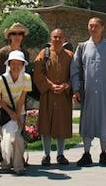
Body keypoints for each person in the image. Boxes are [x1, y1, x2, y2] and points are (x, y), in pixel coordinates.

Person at [71, 17, 106, 166]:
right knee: (87, 121)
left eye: (96, 26)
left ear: (102, 27)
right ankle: (86, 153)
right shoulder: (83, 47)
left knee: (104, 120)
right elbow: (76, 69)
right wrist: (76, 88)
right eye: (90, 26)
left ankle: (104, 153)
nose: (93, 29)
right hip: (87, 92)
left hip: (103, 91)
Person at [34, 29, 74, 166]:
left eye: (60, 37)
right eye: (55, 37)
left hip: (63, 96)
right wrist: (50, 86)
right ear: (51, 39)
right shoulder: (43, 54)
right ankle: (46, 155)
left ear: (64, 39)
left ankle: (61, 154)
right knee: (46, 124)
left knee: (62, 124)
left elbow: (74, 75)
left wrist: (65, 86)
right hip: (48, 95)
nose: (57, 39)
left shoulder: (70, 56)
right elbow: (38, 73)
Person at [0, 22, 29, 165]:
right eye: (14, 33)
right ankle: (4, 159)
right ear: (9, 36)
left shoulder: (25, 53)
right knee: (3, 128)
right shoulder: (4, 52)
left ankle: (18, 158)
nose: (17, 36)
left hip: (20, 95)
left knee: (19, 128)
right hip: (5, 97)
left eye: (20, 33)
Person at [0, 50, 31, 175]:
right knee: (6, 139)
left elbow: (22, 98)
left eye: (19, 64)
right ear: (8, 64)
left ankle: (18, 166)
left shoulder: (26, 78)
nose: (16, 66)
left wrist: (18, 115)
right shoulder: (1, 79)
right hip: (3, 112)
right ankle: (6, 164)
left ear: (23, 65)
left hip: (18, 111)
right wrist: (10, 112)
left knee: (18, 139)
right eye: (13, 63)